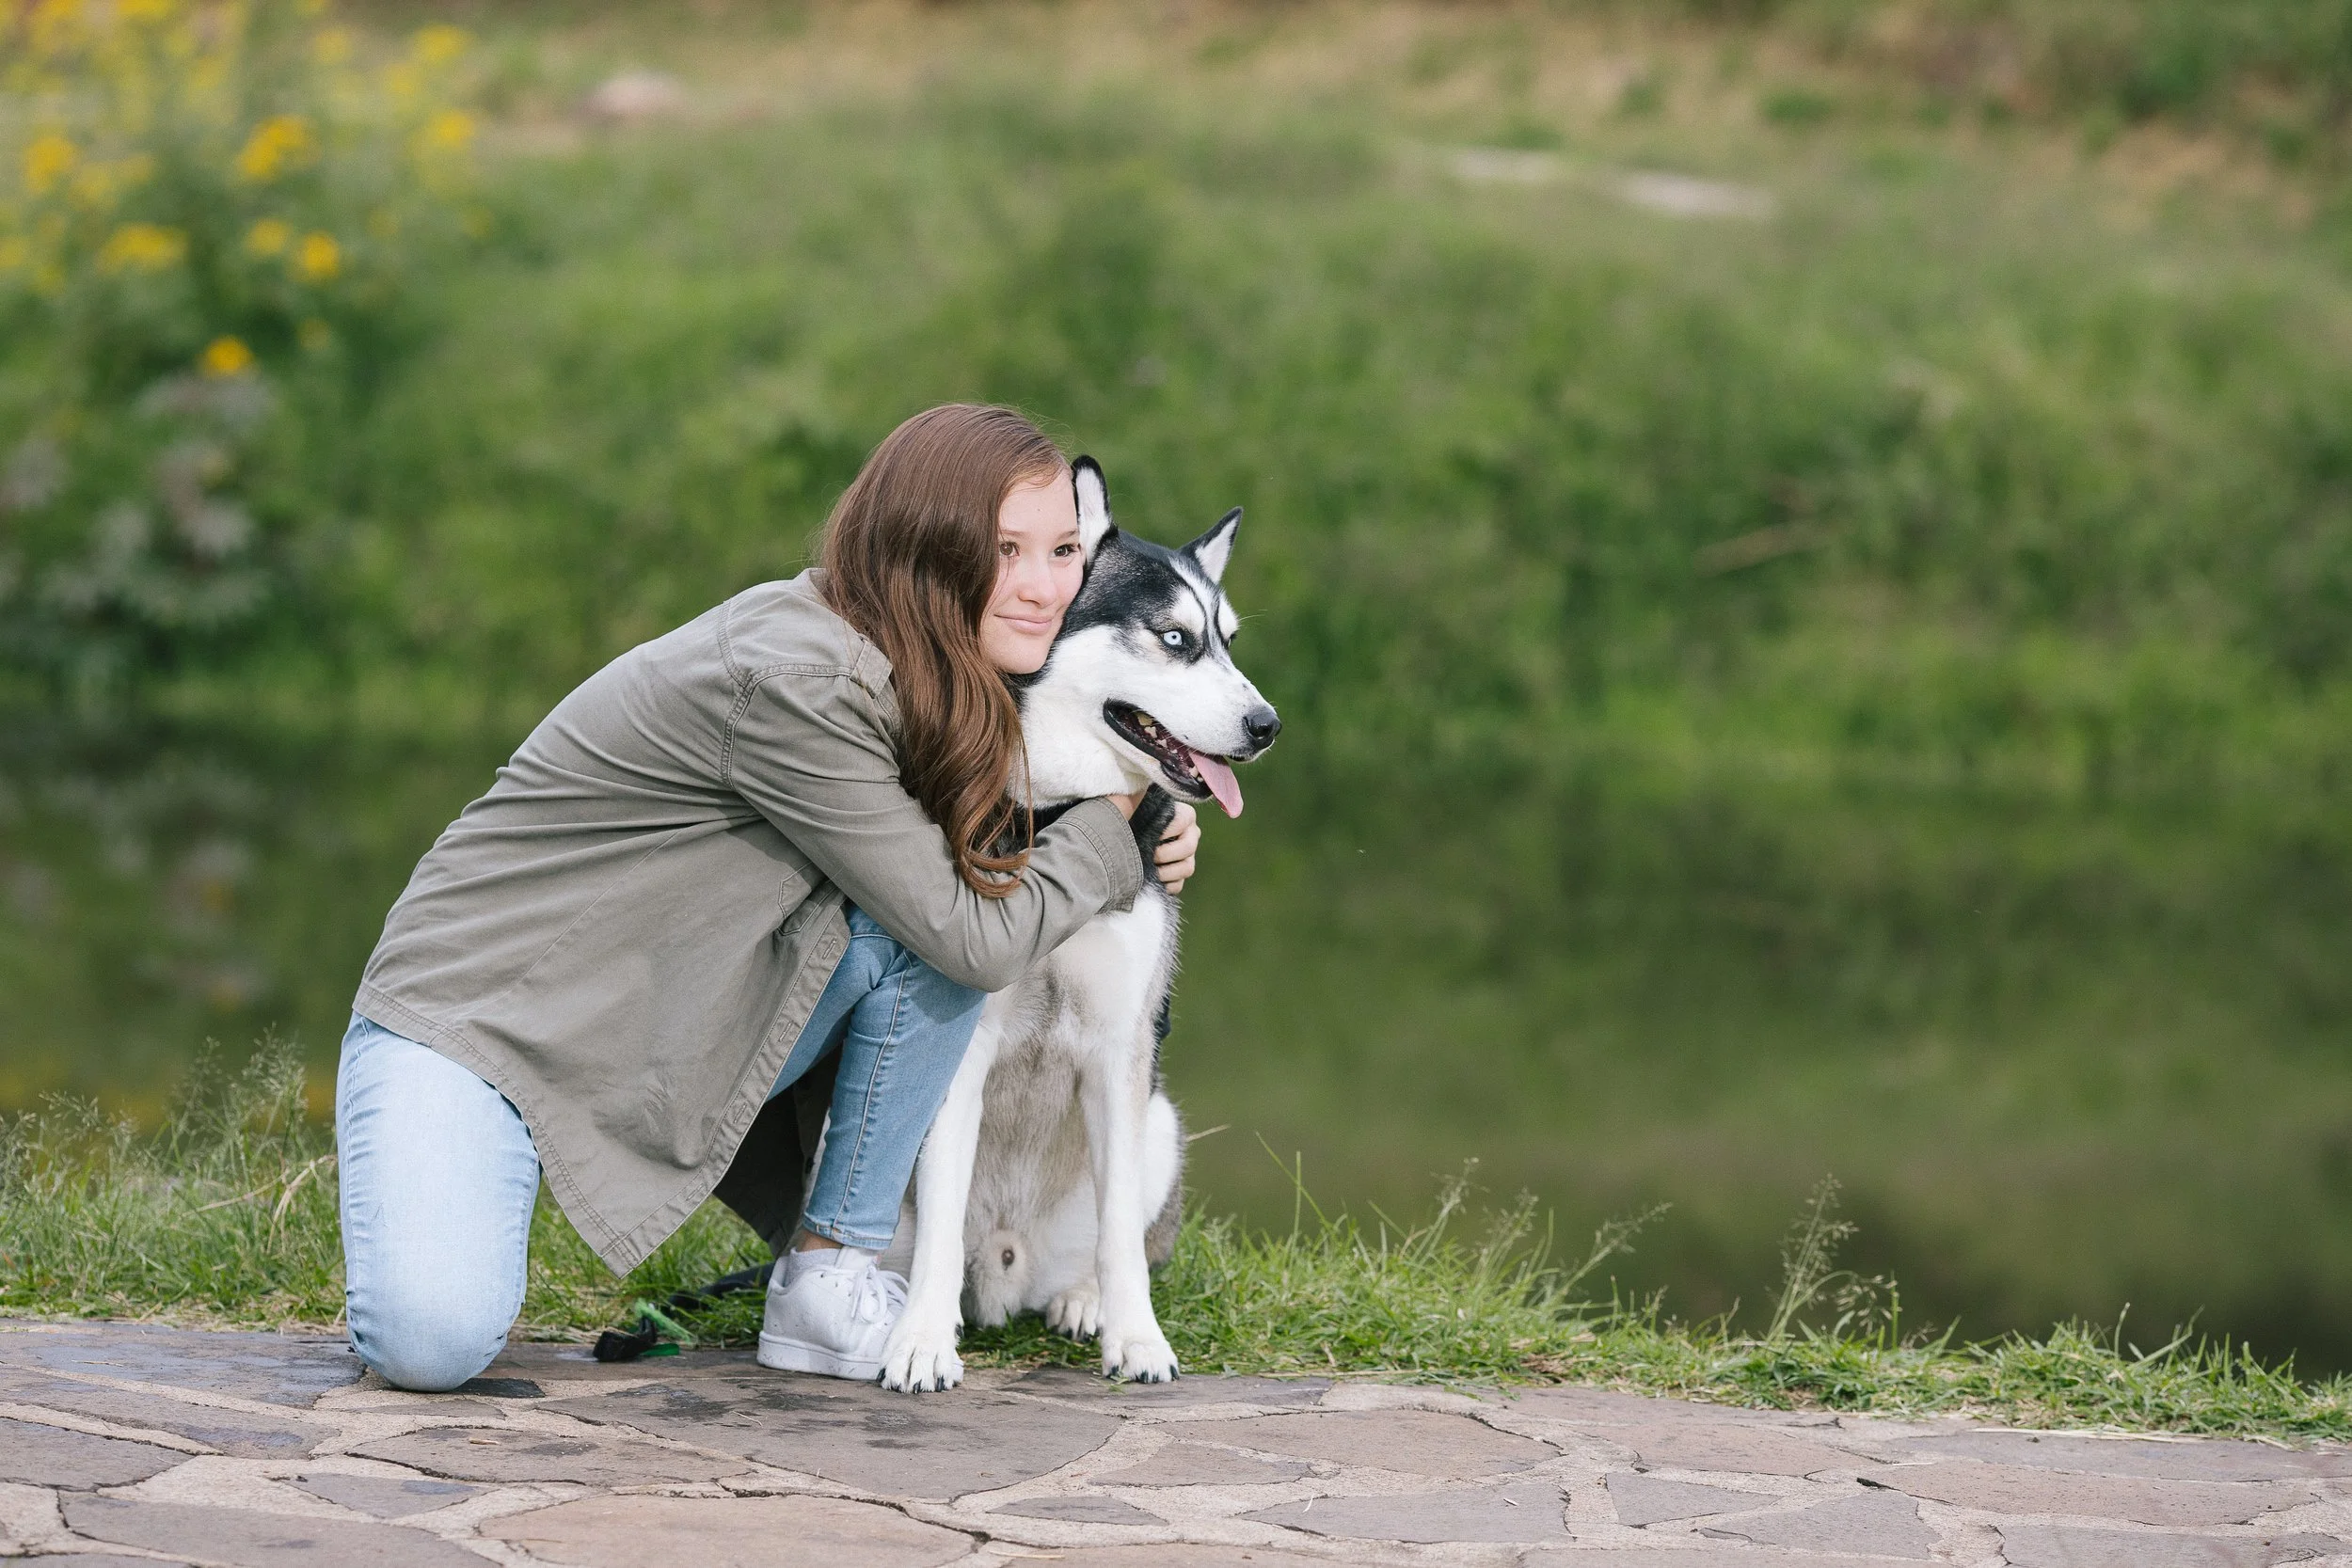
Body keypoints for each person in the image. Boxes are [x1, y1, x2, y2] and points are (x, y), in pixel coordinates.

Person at [335, 404, 1201, 1390]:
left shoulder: (934, 669)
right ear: (925, 548)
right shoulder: (801, 680)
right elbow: (969, 932)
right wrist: (1121, 820)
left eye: (1060, 550)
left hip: (642, 1015)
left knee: (912, 921)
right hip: (479, 1020)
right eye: (1007, 551)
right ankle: (465, 1166)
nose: (1050, 586)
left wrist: (1145, 817)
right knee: (429, 1340)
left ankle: (829, 1275)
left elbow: (1007, 818)